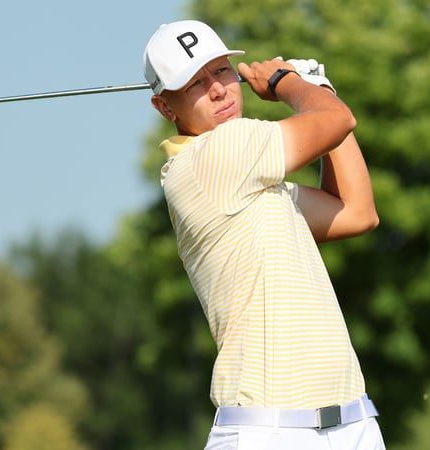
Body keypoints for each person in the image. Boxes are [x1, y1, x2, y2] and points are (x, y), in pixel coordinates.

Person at [143, 19, 385, 449]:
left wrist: (320, 93)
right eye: (195, 83)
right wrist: (289, 83)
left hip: (353, 424)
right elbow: (337, 119)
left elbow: (357, 213)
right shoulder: (214, 157)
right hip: (268, 432)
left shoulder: (252, 180)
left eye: (220, 70)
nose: (218, 89)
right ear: (165, 107)